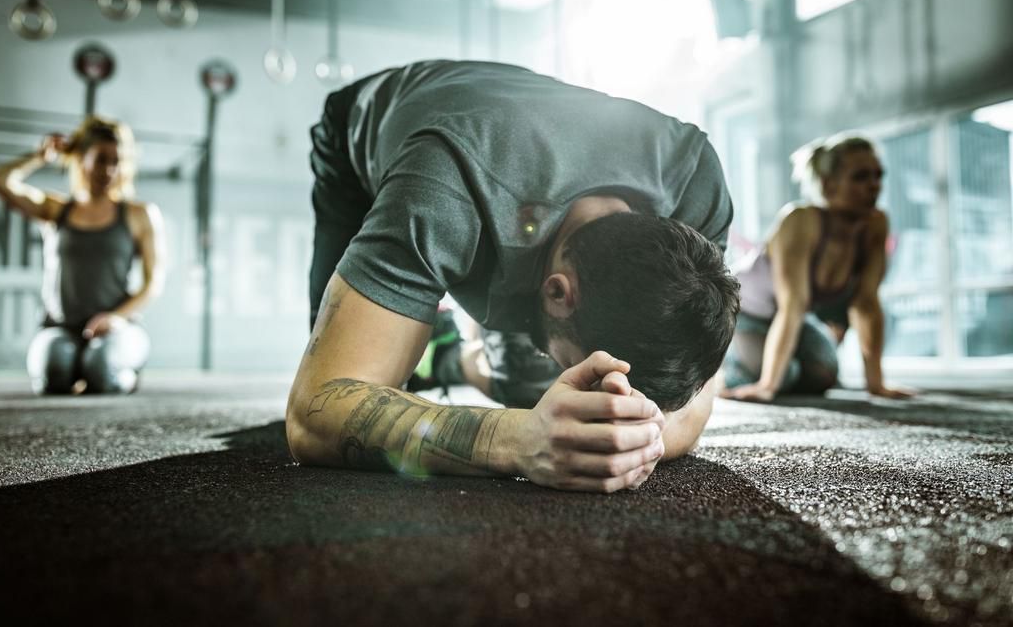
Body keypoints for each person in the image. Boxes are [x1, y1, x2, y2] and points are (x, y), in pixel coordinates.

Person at [287, 60, 740, 493]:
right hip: (371, 127)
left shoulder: (695, 186)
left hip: (509, 131)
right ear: (557, 293)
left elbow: (693, 391)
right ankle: (412, 321)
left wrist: (631, 433)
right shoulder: (443, 191)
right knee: (349, 423)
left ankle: (442, 355)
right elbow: (314, 413)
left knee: (534, 390)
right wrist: (515, 440)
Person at [719, 135, 914, 402]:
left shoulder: (876, 225)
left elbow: (866, 304)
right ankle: (723, 369)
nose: (874, 185)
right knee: (784, 377)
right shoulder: (800, 220)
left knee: (824, 375)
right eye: (860, 177)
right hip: (741, 312)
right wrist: (768, 385)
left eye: (878, 175)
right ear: (828, 184)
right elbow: (793, 305)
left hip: (787, 316)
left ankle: (767, 371)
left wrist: (876, 385)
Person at [0, 116, 166, 394]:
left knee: (101, 369)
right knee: (54, 373)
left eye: (117, 161)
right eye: (101, 159)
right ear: (82, 159)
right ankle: (75, 367)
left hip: (117, 329)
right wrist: (39, 157)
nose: (109, 170)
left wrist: (116, 317)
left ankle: (123, 374)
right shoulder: (56, 210)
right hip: (62, 328)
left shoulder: (139, 215)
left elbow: (152, 283)